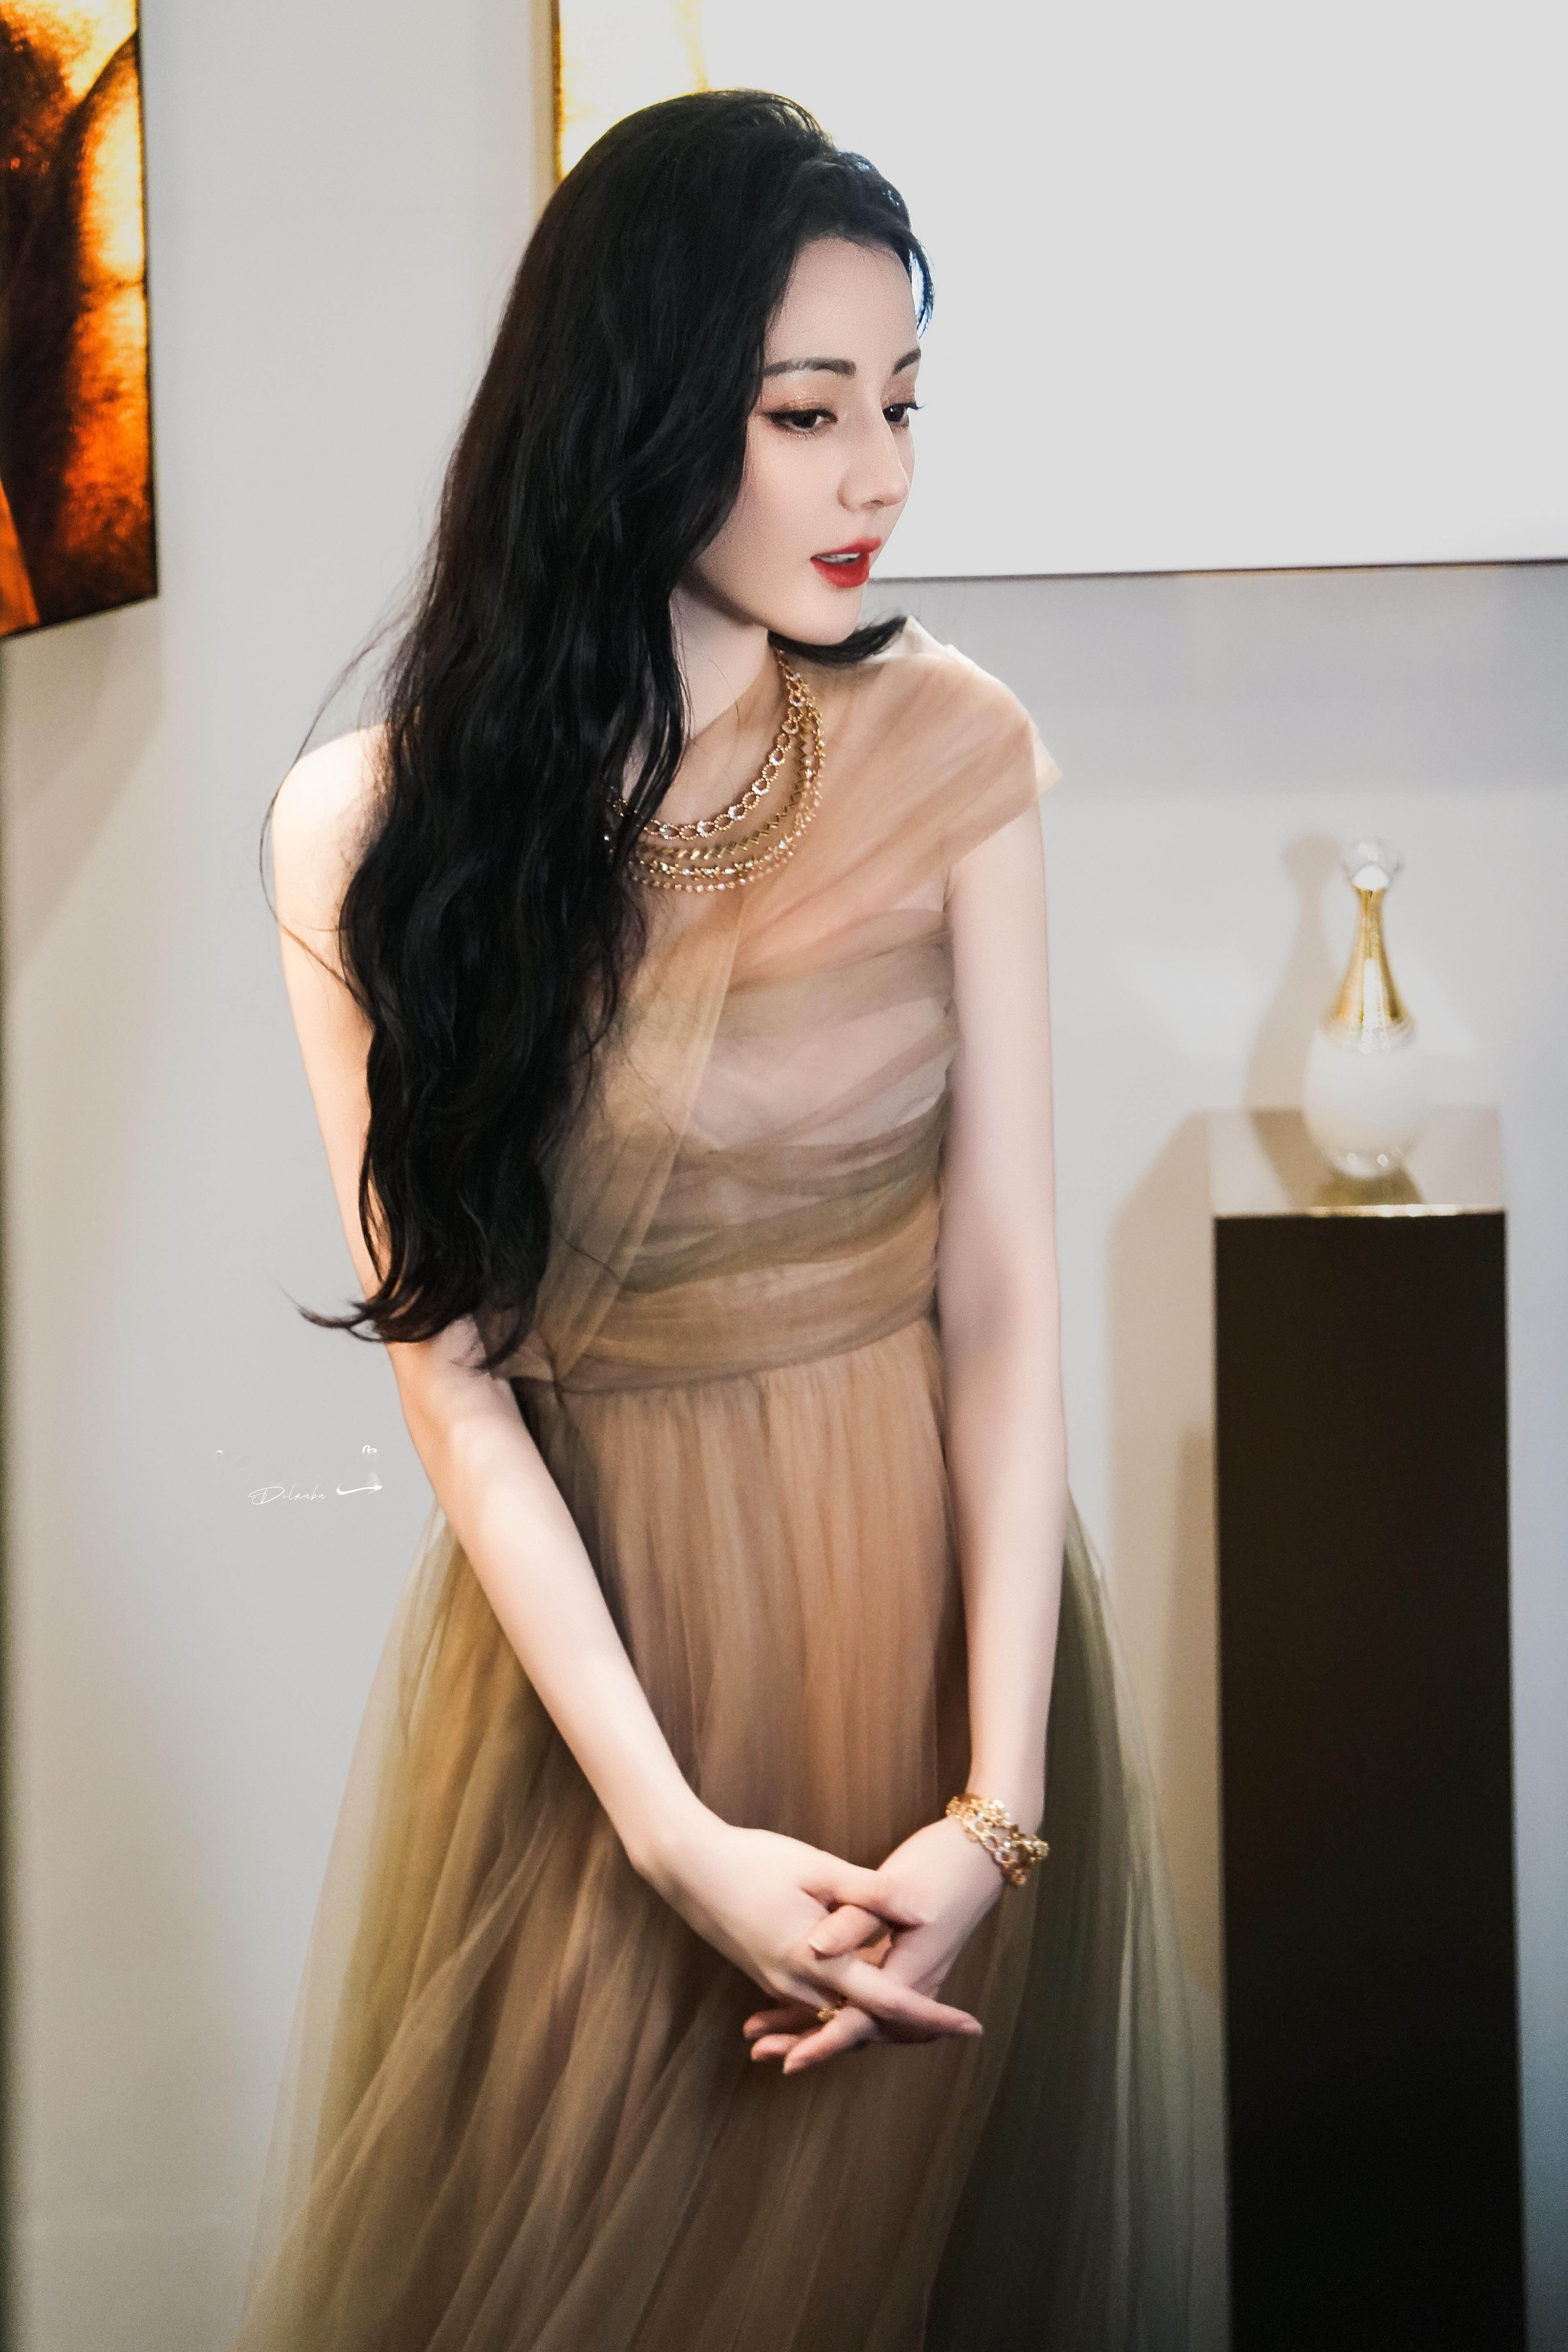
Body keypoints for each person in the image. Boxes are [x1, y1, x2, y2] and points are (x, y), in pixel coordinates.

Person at [242, 90, 1193, 2352]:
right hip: (608, 1697)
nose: (879, 478)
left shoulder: (953, 750)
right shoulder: (362, 831)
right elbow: (453, 1379)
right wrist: (668, 1835)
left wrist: (999, 1813)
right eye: (806, 412)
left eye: (903, 406)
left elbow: (1002, 1291)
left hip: (930, 1663)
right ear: (638, 413)